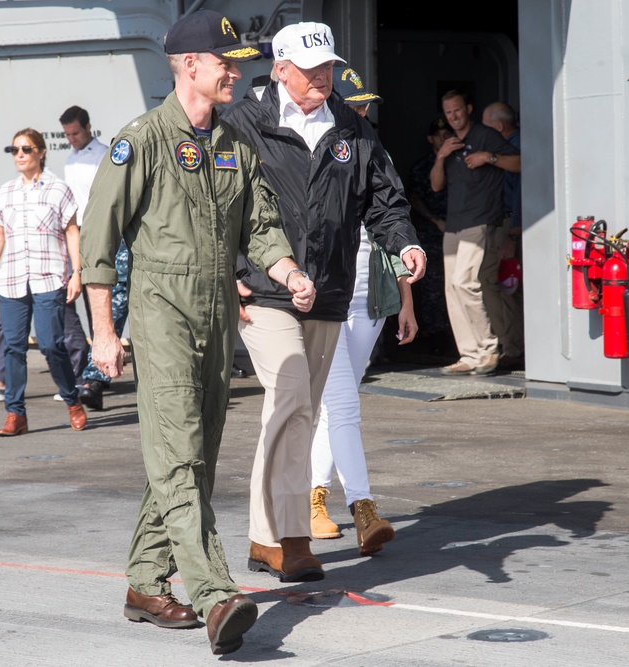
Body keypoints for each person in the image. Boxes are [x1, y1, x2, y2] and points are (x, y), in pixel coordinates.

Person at [79, 9, 313, 655]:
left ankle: (144, 582)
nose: (237, 72)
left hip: (217, 314)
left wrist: (288, 271)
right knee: (180, 453)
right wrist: (105, 331)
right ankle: (215, 595)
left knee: (193, 457)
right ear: (190, 66)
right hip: (160, 315)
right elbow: (97, 244)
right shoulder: (143, 140)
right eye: (226, 62)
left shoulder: (235, 145)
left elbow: (260, 227)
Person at [223, 22, 426, 583]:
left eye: (328, 67)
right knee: (290, 398)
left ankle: (264, 537)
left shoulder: (352, 130)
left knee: (300, 413)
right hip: (265, 289)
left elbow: (384, 199)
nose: (322, 78)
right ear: (280, 68)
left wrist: (404, 242)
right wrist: (232, 272)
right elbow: (216, 207)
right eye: (310, 69)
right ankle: (290, 538)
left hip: (331, 292)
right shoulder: (241, 126)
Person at [307, 65, 415, 556]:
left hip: (370, 292)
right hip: (325, 292)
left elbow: (392, 224)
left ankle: (313, 496)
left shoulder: (373, 147)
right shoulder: (313, 146)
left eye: (368, 103)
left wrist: (405, 301)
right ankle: (363, 507)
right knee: (343, 404)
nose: (365, 111)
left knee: (339, 402)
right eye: (357, 104)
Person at [0, 128, 88, 436]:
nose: (19, 155)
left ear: (41, 152)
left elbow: (71, 232)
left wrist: (77, 273)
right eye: (14, 150)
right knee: (13, 347)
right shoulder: (7, 191)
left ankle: (72, 400)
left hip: (49, 277)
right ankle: (16, 414)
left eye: (26, 149)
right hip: (12, 280)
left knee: (52, 344)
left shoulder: (59, 189)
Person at [430, 89, 520, 376]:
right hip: (454, 223)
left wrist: (488, 157)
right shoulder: (449, 142)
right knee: (452, 288)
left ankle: (488, 349)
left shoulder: (485, 135)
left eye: (457, 110)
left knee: (465, 281)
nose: (453, 117)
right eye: (448, 113)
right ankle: (469, 354)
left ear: (468, 108)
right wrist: (441, 156)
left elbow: (519, 163)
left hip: (480, 221)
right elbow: (435, 186)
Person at [57, 105, 126, 411]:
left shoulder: (103, 155)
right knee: (92, 303)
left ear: (88, 128)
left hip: (109, 232)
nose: (72, 139)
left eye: (76, 132)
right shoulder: (70, 161)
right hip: (81, 234)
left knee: (116, 300)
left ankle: (94, 378)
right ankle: (93, 370)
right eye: (67, 135)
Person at [481, 100, 524, 370]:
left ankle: (513, 347)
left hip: (510, 225)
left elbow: (522, 189)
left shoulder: (514, 147)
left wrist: (513, 233)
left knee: (505, 286)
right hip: (504, 223)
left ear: (498, 126)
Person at [407, 117, 455, 354]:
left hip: (460, 230)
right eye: (439, 134)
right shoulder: (422, 166)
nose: (444, 137)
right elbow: (415, 199)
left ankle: (454, 337)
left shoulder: (459, 160)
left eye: (448, 133)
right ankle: (437, 338)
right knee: (434, 287)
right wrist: (436, 221)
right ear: (431, 139)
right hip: (431, 233)